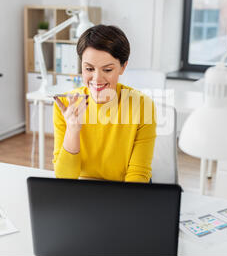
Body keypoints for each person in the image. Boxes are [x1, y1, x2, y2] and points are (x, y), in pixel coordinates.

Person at [52, 25, 156, 183]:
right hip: (82, 190)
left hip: (122, 192)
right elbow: (64, 177)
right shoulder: (66, 104)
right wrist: (72, 129)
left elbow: (138, 174)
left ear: (123, 67)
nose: (97, 79)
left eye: (107, 70)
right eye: (89, 68)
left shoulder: (142, 106)